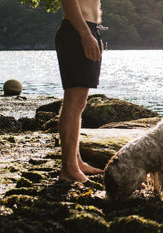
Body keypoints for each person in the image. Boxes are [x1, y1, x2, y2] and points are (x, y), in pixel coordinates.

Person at [54, 0, 104, 182]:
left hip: (85, 29)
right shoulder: (80, 33)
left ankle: (76, 161)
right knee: (74, 102)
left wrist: (93, 35)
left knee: (78, 102)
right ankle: (68, 168)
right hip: (77, 32)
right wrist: (85, 34)